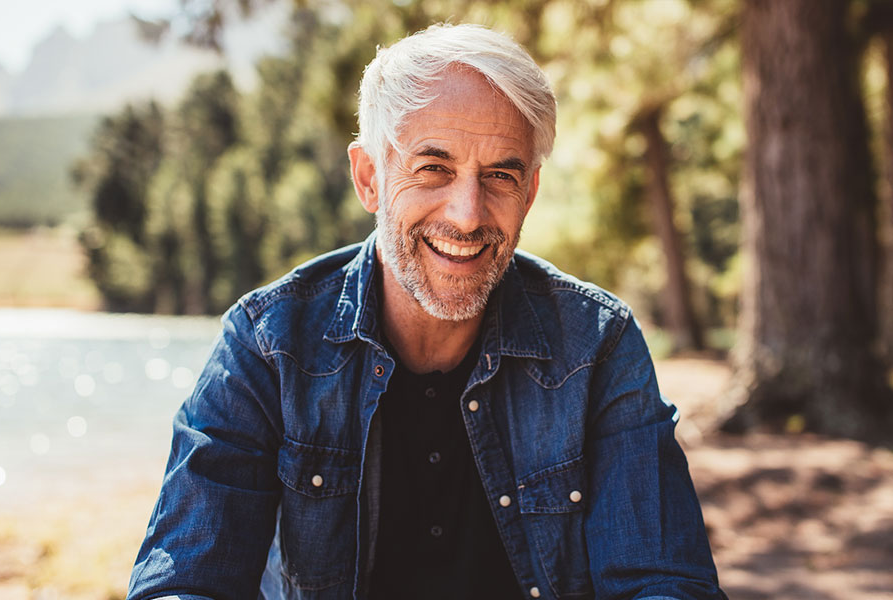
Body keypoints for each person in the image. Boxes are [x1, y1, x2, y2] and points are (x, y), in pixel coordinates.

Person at [128, 23, 726, 600]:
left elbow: (665, 581)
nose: (467, 214)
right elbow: (184, 580)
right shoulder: (267, 344)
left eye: (499, 175)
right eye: (433, 168)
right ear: (369, 177)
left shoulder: (597, 345)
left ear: (530, 195)